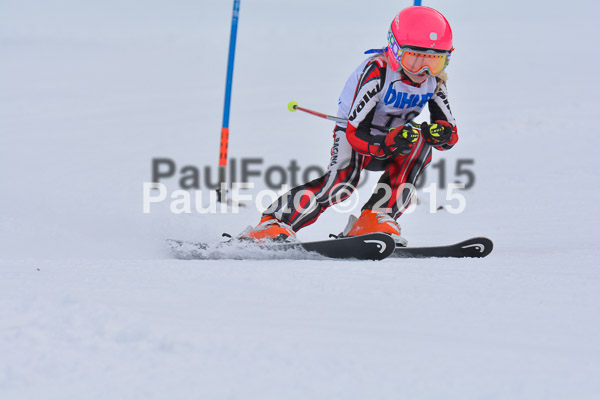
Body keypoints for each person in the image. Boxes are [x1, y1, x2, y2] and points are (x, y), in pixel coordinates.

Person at [239, 6, 458, 243]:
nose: (424, 71)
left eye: (435, 62)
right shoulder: (379, 71)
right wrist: (387, 141)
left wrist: (441, 135)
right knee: (341, 184)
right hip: (356, 134)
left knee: (420, 142)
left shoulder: (434, 81)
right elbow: (355, 133)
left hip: (394, 139)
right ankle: (274, 223)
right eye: (414, 59)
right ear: (395, 50)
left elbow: (450, 134)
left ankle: (375, 218)